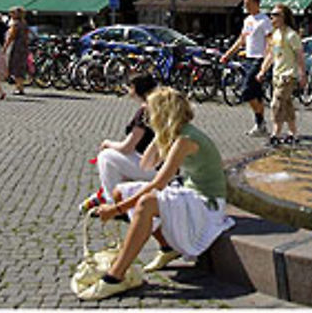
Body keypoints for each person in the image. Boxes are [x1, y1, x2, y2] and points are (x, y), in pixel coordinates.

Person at [79, 87, 235, 301]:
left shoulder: (185, 139)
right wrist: (159, 135)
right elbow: (147, 164)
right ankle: (166, 246)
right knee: (119, 192)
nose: (146, 117)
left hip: (206, 203)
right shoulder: (178, 133)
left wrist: (116, 210)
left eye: (150, 112)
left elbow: (158, 183)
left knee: (146, 202)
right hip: (190, 193)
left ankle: (115, 276)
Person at [78, 73, 160, 214]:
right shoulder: (159, 106)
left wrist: (107, 143)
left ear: (135, 89)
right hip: (164, 166)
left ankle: (113, 203)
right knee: (118, 160)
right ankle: (112, 195)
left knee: (106, 157)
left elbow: (128, 147)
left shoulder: (144, 111)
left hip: (152, 167)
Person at [220, 0, 272, 136]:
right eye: (244, 3)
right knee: (256, 94)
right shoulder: (248, 20)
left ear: (256, 3)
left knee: (246, 91)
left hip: (259, 59)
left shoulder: (264, 20)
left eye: (247, 3)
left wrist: (266, 63)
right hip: (248, 59)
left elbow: (269, 42)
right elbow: (241, 39)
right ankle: (260, 124)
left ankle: (260, 123)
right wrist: (228, 54)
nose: (245, 6)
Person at [256, 3, 307, 146]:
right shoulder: (275, 35)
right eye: (272, 14)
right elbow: (271, 56)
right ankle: (293, 134)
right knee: (287, 104)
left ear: (284, 17)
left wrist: (302, 74)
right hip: (277, 75)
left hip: (288, 76)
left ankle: (275, 134)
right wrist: (262, 71)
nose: (272, 17)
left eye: (276, 15)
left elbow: (299, 56)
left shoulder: (292, 35)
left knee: (276, 104)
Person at [3, 6, 30, 95]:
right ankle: (20, 87)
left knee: (15, 66)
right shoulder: (24, 23)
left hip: (16, 47)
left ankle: (19, 87)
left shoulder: (15, 24)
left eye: (12, 13)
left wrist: (5, 47)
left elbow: (11, 37)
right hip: (23, 47)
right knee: (21, 67)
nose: (10, 14)